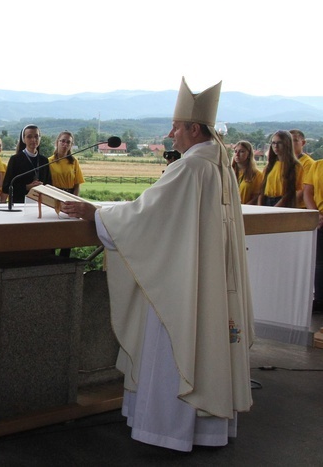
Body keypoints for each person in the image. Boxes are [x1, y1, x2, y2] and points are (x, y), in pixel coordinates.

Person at [62, 78, 253, 452]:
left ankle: (167, 429)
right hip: (204, 279)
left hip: (179, 284)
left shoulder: (190, 168)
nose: (171, 134)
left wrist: (95, 213)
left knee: (173, 343)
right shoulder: (219, 164)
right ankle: (206, 429)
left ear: (194, 129)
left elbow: (144, 218)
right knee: (205, 342)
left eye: (176, 127)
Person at [2, 124, 51, 204]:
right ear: (23, 139)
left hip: (40, 204)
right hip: (20, 204)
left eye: (36, 136)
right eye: (29, 137)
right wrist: (27, 187)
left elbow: (50, 185)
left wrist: (43, 187)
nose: (33, 140)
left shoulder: (44, 160)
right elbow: (6, 187)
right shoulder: (15, 159)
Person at [258, 130, 302, 207]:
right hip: (267, 201)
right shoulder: (270, 166)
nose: (276, 146)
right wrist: (260, 205)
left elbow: (294, 191)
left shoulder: (295, 166)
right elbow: (262, 189)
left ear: (287, 144)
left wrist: (277, 207)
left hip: (284, 203)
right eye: (273, 143)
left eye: (280, 143)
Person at [303, 159, 323, 313]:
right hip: (321, 218)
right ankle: (320, 299)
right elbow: (308, 192)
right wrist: (316, 213)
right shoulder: (317, 165)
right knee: (319, 262)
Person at [49, 130, 85, 196]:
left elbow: (77, 185)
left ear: (71, 145)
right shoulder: (49, 161)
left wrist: (74, 200)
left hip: (70, 196)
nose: (65, 144)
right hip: (54, 195)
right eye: (62, 141)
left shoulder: (74, 161)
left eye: (68, 142)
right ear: (57, 142)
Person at [232, 140, 263, 204]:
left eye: (242, 151)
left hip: (247, 209)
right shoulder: (228, 172)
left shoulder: (257, 175)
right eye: (235, 151)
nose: (237, 154)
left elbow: (257, 197)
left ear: (249, 154)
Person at [290, 129, 314, 208]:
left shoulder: (308, 163)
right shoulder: (284, 162)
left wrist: (289, 204)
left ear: (303, 143)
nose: (291, 144)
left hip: (300, 206)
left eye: (295, 140)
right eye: (289, 141)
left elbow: (304, 188)